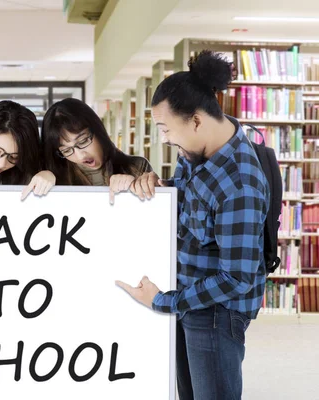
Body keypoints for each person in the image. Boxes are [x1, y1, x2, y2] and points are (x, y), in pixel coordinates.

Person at [115, 51, 269, 400]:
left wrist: (163, 302)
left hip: (215, 314)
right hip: (188, 300)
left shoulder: (239, 183)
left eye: (167, 129)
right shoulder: (197, 151)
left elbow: (237, 277)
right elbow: (188, 197)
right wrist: (158, 186)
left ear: (197, 121)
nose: (166, 138)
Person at [41, 97, 151, 203]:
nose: (80, 156)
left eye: (83, 141)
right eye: (66, 150)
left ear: (98, 130)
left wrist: (134, 190)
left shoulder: (138, 167)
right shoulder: (55, 178)